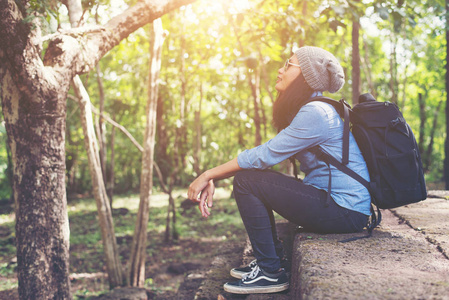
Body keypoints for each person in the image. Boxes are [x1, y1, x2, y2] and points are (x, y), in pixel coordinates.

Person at [187, 46, 371, 294]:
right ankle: (271, 261)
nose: (280, 70)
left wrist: (209, 174)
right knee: (250, 178)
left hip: (345, 209)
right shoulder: (312, 109)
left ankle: (270, 271)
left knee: (246, 181)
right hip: (341, 206)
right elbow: (266, 156)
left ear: (305, 76)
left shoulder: (316, 113)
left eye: (288, 65)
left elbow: (264, 156)